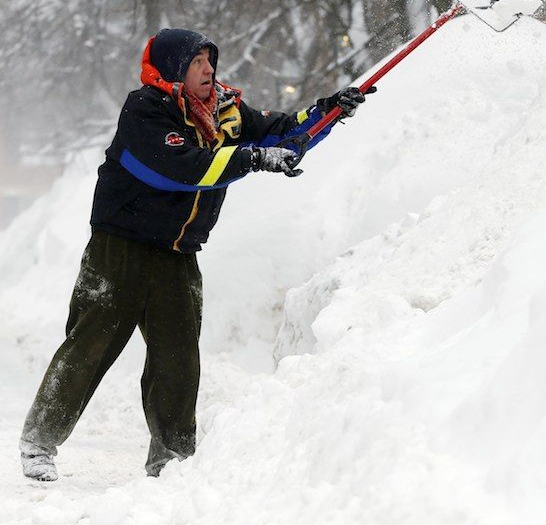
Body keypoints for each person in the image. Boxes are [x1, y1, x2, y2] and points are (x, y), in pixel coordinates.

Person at [19, 28, 373, 481]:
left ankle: (172, 459)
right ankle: (39, 443)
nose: (209, 70)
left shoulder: (224, 110)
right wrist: (253, 159)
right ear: (173, 70)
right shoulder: (146, 109)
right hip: (120, 247)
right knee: (91, 343)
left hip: (177, 253)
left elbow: (283, 132)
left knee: (178, 356)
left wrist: (329, 111)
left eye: (211, 60)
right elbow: (183, 171)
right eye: (197, 62)